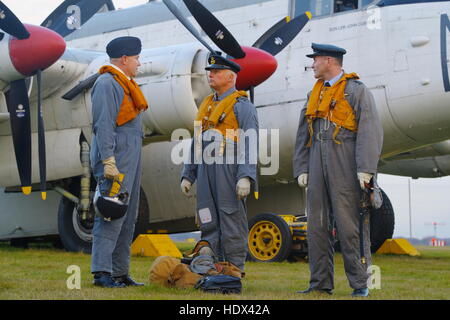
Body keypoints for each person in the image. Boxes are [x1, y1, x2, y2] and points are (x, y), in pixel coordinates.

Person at [293, 43, 383, 297]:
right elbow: (303, 133)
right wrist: (302, 166)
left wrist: (366, 169)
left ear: (330, 61)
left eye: (316, 60)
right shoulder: (315, 93)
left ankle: (360, 285)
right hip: (316, 163)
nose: (312, 64)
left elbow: (370, 130)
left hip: (345, 162)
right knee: (316, 226)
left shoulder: (357, 91)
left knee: (350, 226)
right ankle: (319, 283)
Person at [180, 54, 259, 276]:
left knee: (231, 218)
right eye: (210, 71)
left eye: (216, 72)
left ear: (231, 77)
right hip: (206, 170)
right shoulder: (206, 104)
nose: (210, 75)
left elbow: (250, 142)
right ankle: (210, 270)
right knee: (207, 218)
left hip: (228, 169)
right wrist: (188, 174)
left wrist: (245, 176)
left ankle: (234, 271)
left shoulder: (242, 106)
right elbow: (196, 141)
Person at [89, 36, 148, 288]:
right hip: (115, 158)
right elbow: (103, 125)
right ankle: (102, 272)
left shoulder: (125, 83)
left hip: (129, 158)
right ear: (124, 59)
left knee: (128, 214)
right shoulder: (107, 83)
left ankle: (119, 272)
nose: (139, 63)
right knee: (111, 212)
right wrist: (108, 160)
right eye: (136, 58)